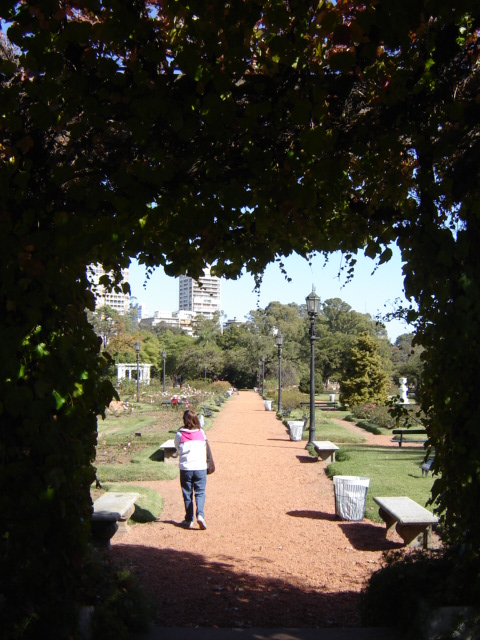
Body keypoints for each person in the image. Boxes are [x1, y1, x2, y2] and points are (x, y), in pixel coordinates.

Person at [174, 409, 208, 530]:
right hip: (200, 467)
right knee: (200, 492)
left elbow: (177, 448)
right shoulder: (201, 433)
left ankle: (189, 519)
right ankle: (200, 515)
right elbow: (204, 446)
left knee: (187, 493)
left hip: (186, 468)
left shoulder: (179, 434)